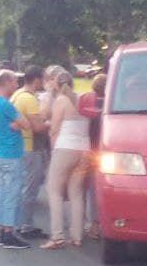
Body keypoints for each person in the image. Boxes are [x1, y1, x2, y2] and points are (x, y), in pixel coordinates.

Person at [41, 68, 90, 250]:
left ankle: (57, 236)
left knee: (54, 190)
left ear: (56, 84)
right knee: (76, 193)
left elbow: (54, 129)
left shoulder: (61, 101)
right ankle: (77, 236)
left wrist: (53, 146)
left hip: (65, 148)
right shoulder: (82, 99)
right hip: (84, 149)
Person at [0, 70, 30, 249]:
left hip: (1, 154)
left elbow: (14, 125)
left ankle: (3, 230)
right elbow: (26, 124)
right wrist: (17, 125)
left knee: (4, 194)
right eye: (14, 81)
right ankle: (8, 233)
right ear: (6, 82)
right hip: (12, 155)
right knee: (12, 194)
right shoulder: (6, 105)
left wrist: (15, 125)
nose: (17, 85)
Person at [12, 66, 50, 239]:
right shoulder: (29, 99)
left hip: (20, 146)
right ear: (36, 80)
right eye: (42, 79)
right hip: (31, 147)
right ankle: (26, 225)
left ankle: (18, 222)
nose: (43, 83)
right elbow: (37, 128)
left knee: (23, 186)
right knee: (31, 188)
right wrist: (52, 123)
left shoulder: (17, 95)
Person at [78, 73, 107, 241]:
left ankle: (94, 226)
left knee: (91, 191)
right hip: (107, 152)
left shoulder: (89, 104)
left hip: (92, 151)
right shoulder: (112, 105)